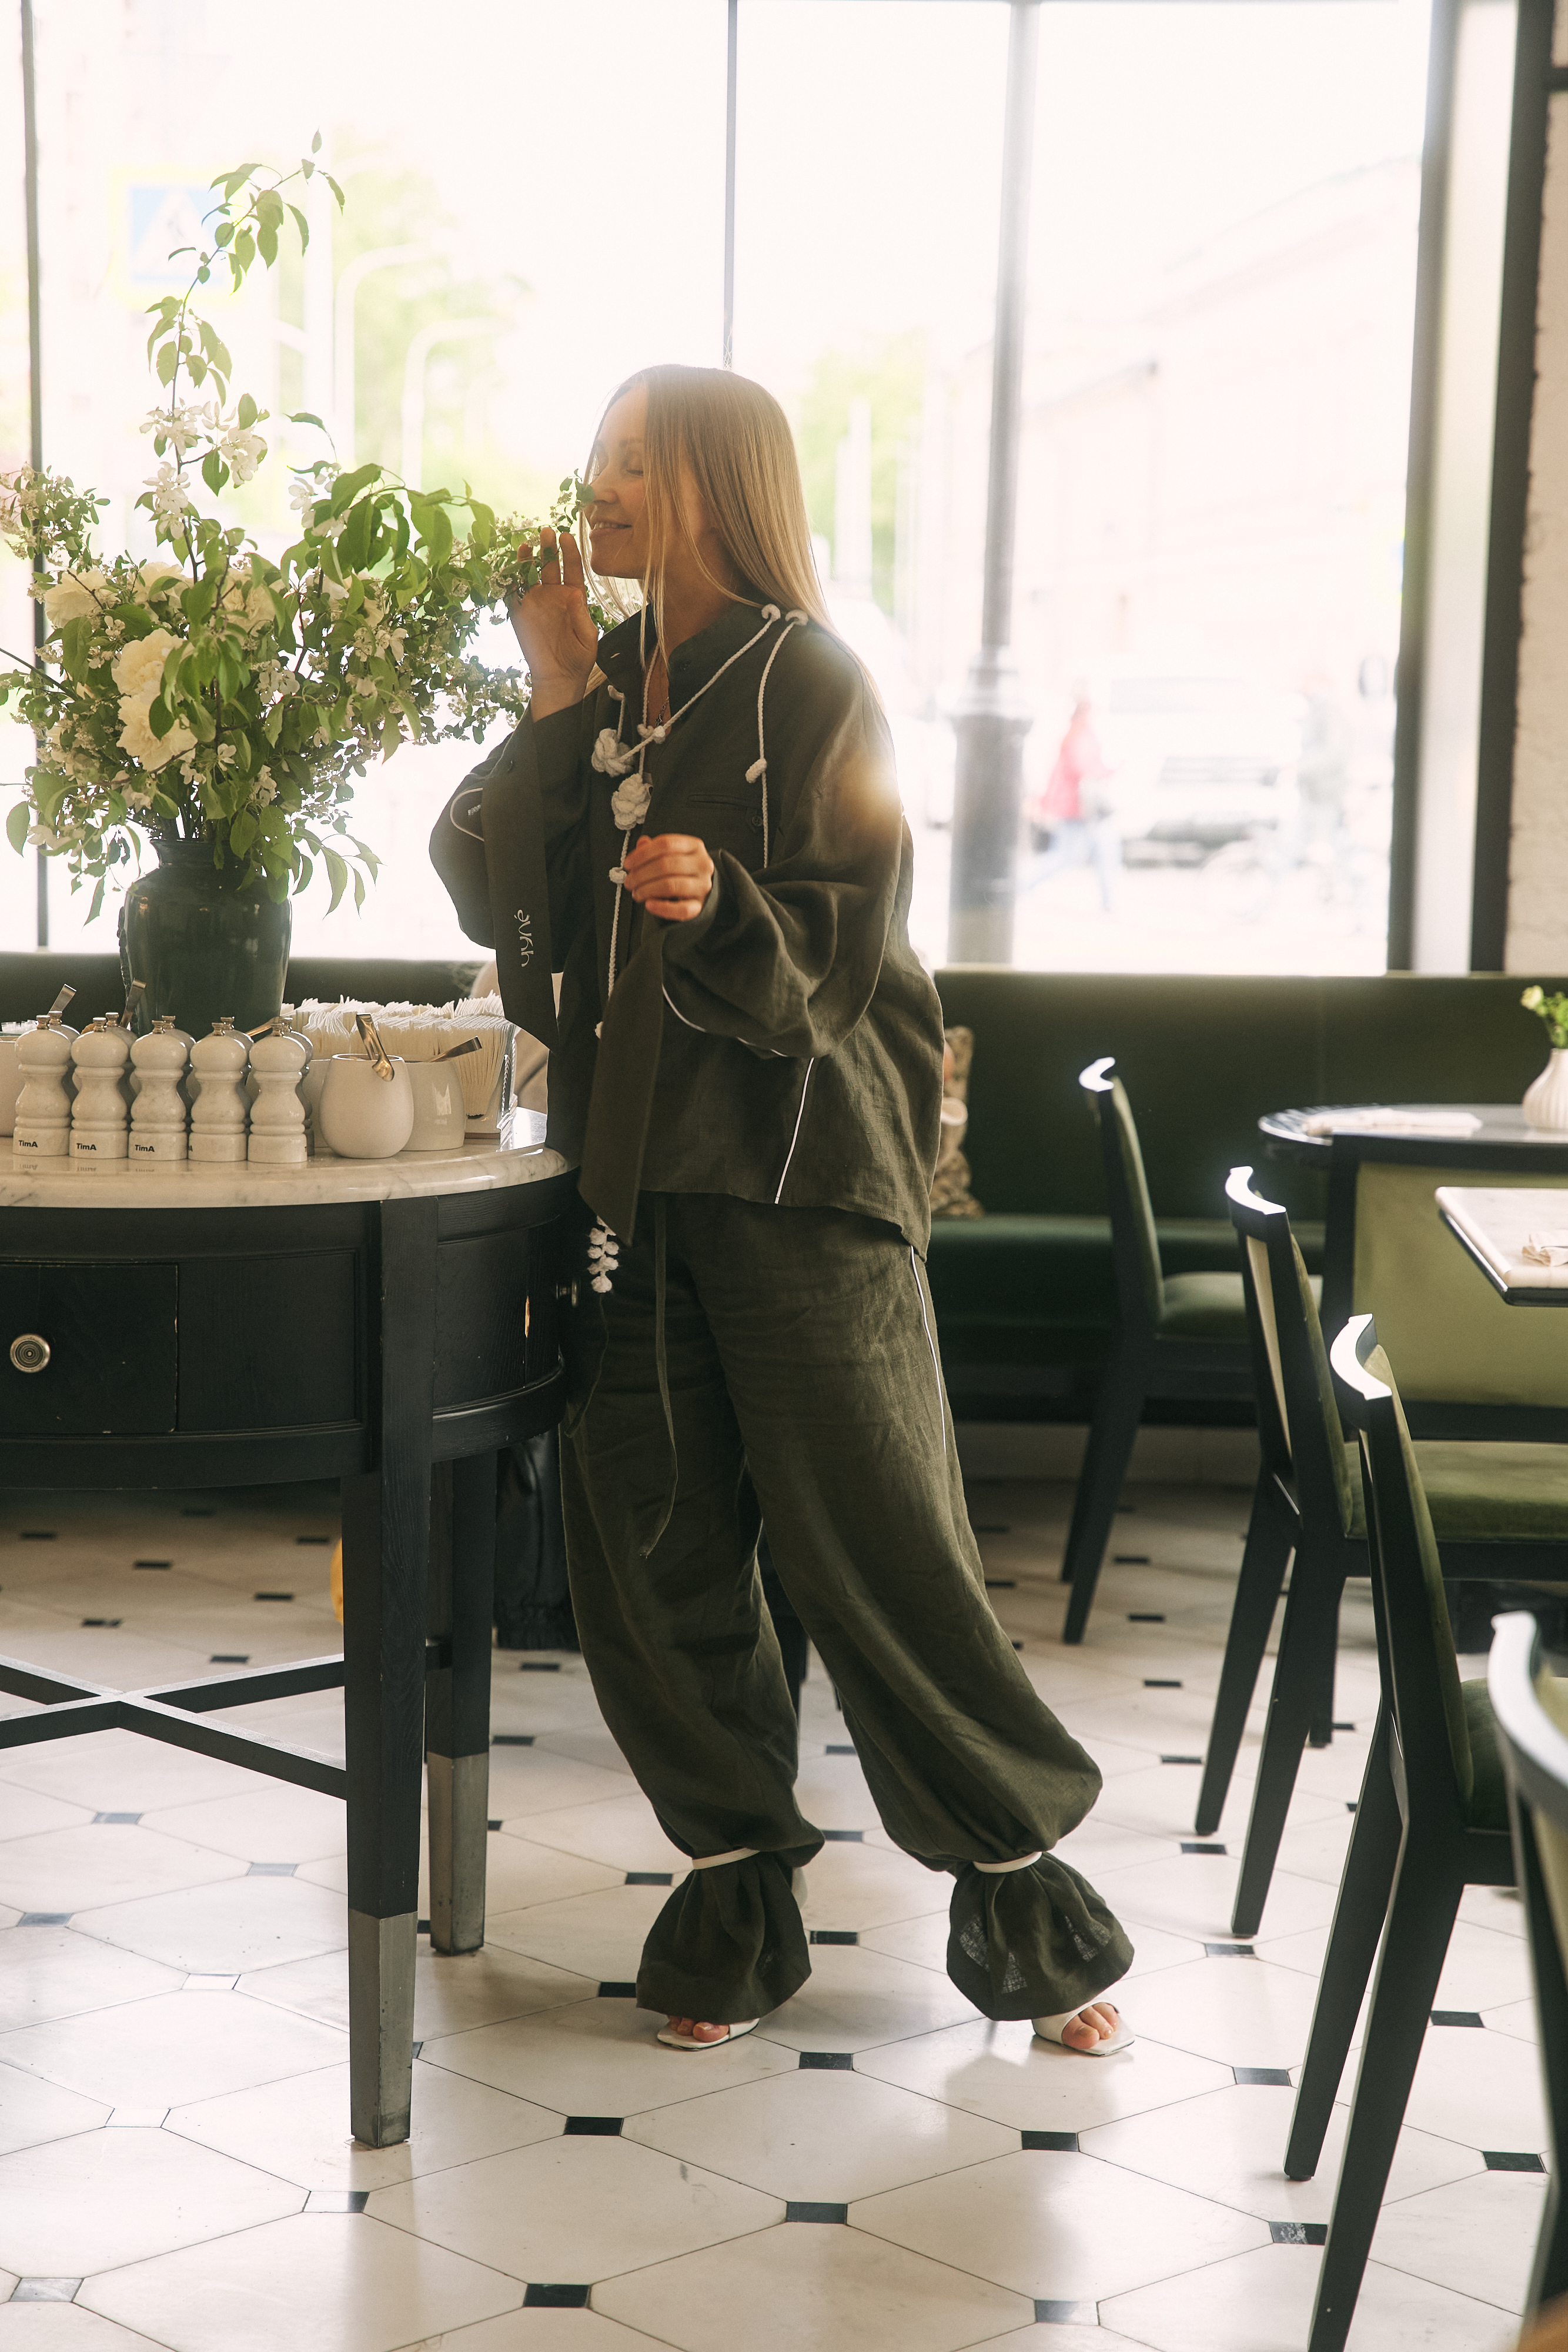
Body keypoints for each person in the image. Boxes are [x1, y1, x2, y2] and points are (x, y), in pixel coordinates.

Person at [430, 363, 1132, 2054]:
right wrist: (552, 680)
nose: (598, 488)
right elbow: (496, 883)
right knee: (649, 1543)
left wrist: (722, 895)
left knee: (874, 1538)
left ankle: (1026, 1903)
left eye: (634, 462)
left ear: (717, 486)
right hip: (630, 1177)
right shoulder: (608, 686)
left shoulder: (813, 679)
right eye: (595, 457)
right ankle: (739, 1901)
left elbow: (850, 920)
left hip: (802, 1171)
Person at [1027, 694, 1120, 913]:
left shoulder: (1075, 734)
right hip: (1082, 808)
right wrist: (1110, 771)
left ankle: (1109, 901)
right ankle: (1022, 886)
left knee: (1098, 851)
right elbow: (1083, 768)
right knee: (1073, 855)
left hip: (1078, 807)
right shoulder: (1081, 736)